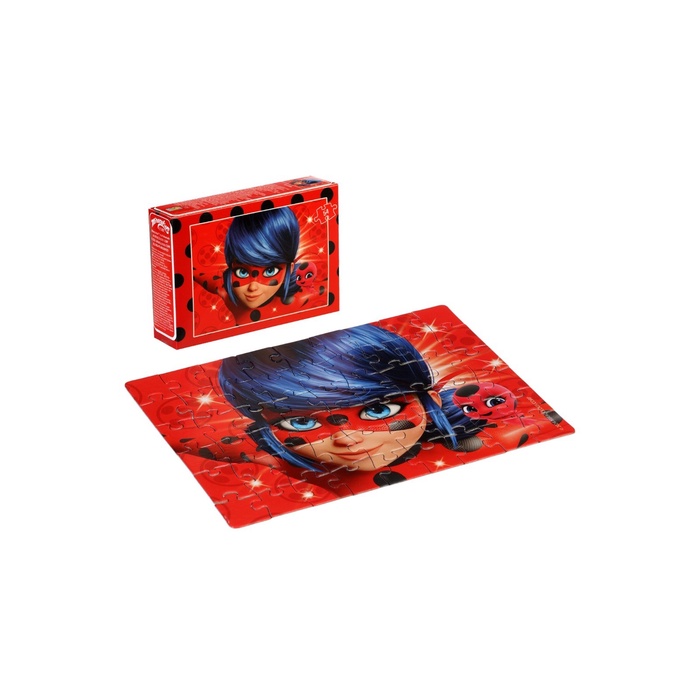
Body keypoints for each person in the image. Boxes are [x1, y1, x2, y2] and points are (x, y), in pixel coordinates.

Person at [218, 323, 485, 491]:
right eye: (301, 422)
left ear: (431, 402)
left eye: (379, 410)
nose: (347, 439)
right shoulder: (266, 475)